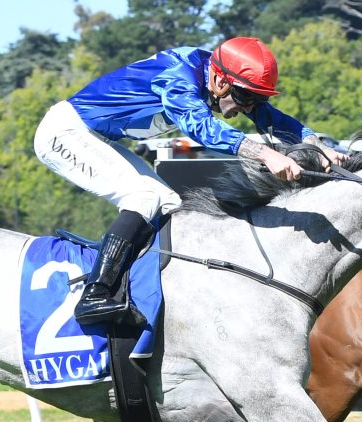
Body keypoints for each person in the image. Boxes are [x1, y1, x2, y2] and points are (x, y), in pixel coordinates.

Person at [34, 36, 345, 327]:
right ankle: (94, 295)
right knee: (143, 197)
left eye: (256, 98)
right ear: (220, 81)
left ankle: (134, 287)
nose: (248, 108)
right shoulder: (178, 76)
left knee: (169, 202)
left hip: (95, 135)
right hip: (64, 133)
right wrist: (266, 154)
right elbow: (200, 127)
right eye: (246, 97)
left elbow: (272, 118)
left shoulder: (221, 77)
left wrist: (317, 143)